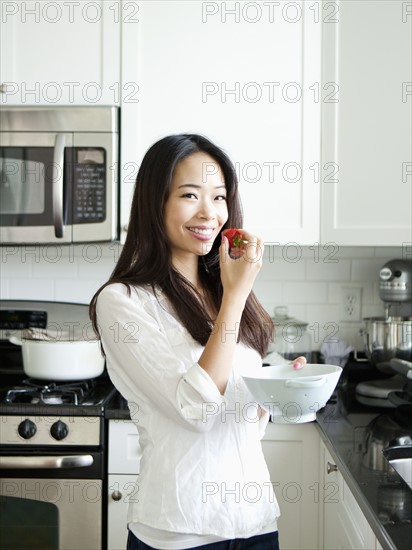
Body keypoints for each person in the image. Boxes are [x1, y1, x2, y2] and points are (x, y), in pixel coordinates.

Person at [90, 134, 306, 550]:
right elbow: (197, 410)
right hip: (179, 528)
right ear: (157, 203)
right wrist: (237, 296)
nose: (210, 212)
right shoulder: (123, 302)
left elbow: (239, 419)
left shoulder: (222, 287)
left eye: (220, 197)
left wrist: (277, 391)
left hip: (254, 521)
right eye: (190, 195)